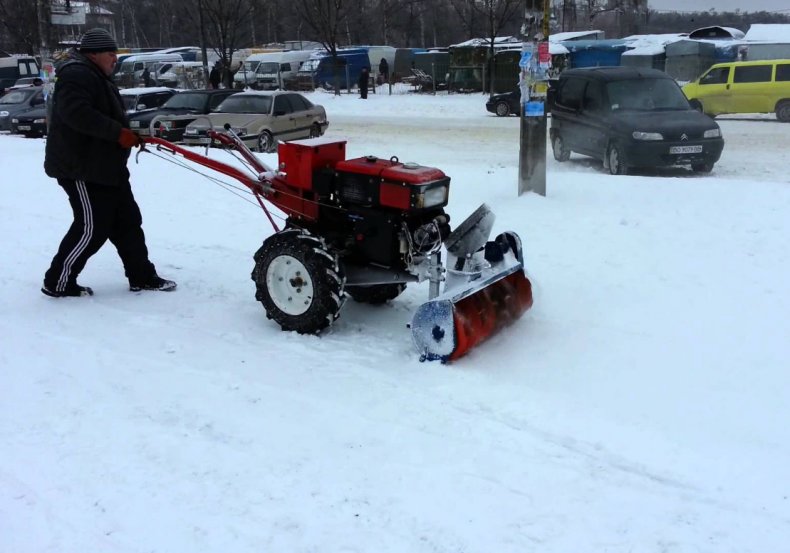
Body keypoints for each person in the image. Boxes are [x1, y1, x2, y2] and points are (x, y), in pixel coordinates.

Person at [42, 28, 176, 298]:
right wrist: (118, 133)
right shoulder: (76, 74)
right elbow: (77, 114)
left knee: (127, 221)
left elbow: (102, 113)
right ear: (94, 54)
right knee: (92, 227)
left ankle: (142, 276)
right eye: (110, 53)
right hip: (81, 167)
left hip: (106, 166)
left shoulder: (95, 75)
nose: (115, 59)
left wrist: (128, 134)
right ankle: (57, 281)